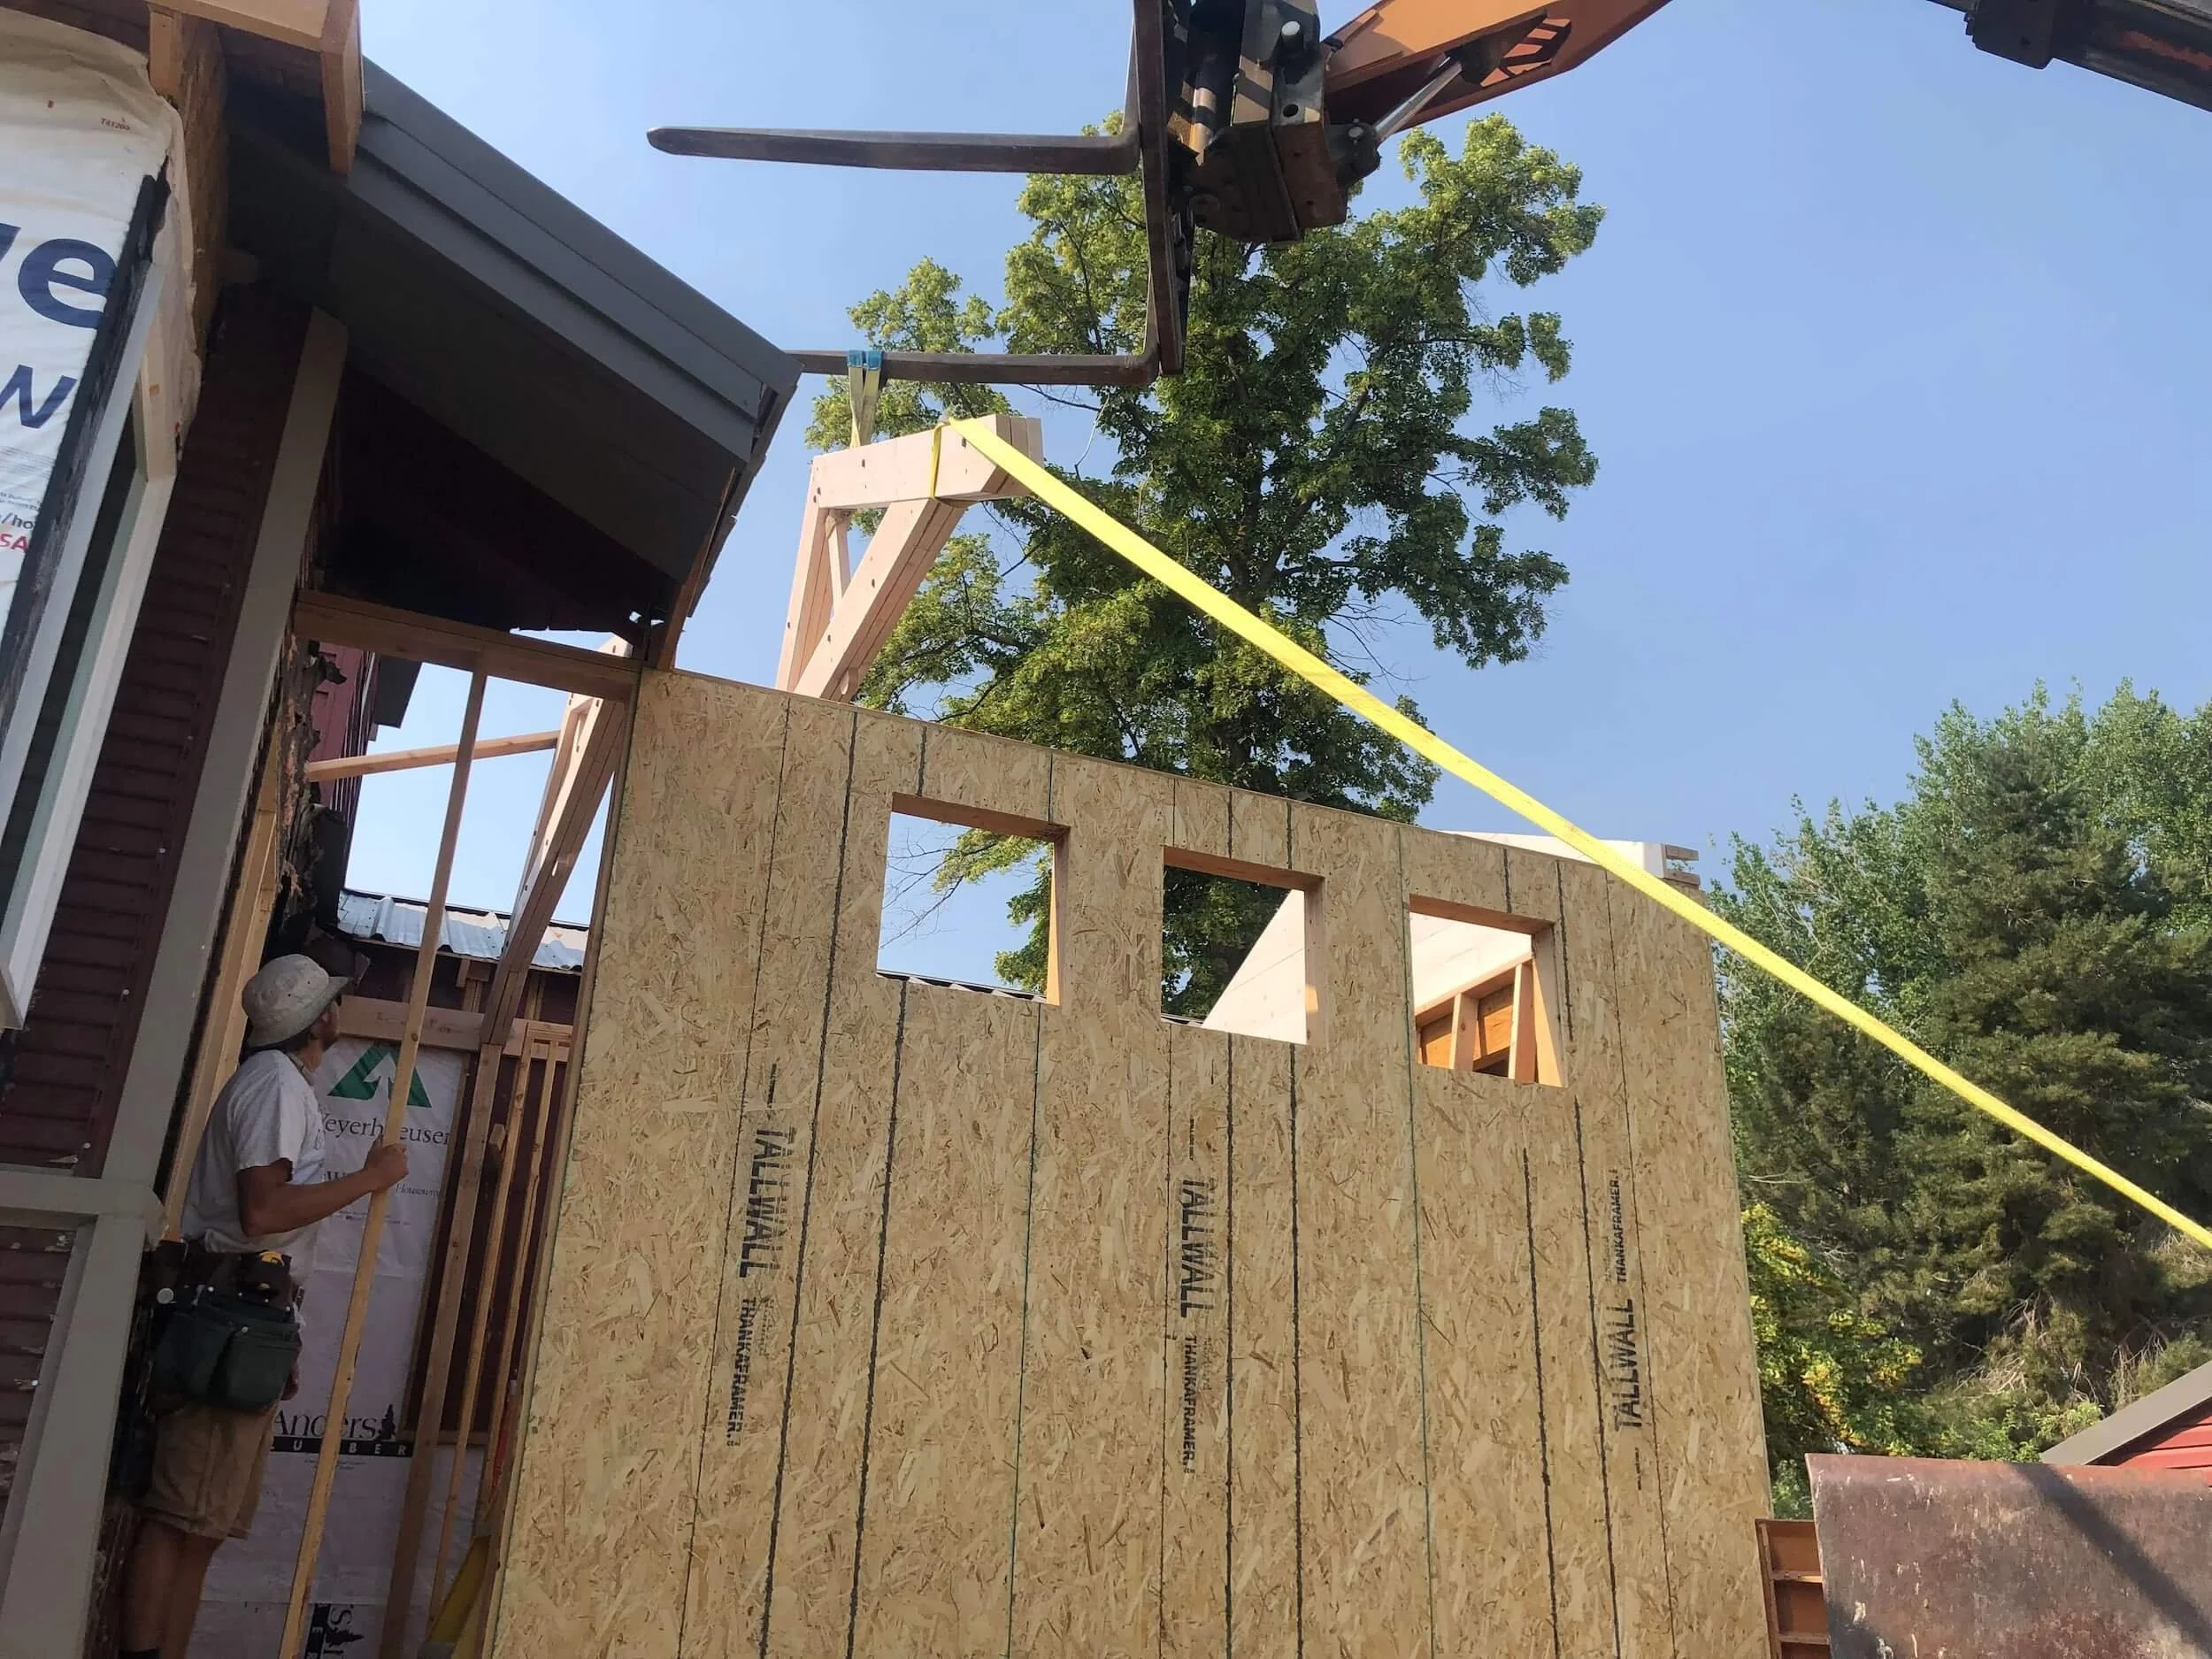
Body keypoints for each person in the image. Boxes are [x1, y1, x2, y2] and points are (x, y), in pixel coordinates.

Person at [119, 955, 407, 1659]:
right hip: (227, 1317)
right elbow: (263, 1209)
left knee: (205, 1524)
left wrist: (285, 1337)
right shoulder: (274, 1085)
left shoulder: (284, 1085)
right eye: (335, 1004)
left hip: (248, 1318)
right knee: (180, 1516)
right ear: (321, 1019)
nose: (342, 1012)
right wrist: (370, 1179)